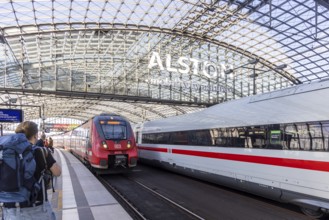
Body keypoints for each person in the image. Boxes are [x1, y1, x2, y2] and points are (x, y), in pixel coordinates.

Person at [1, 121, 61, 220]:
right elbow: (57, 172)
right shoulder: (40, 151)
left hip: (10, 211)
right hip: (37, 209)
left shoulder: (4, 154)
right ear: (35, 135)